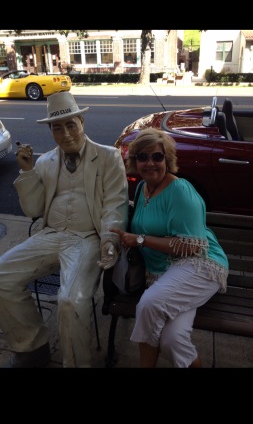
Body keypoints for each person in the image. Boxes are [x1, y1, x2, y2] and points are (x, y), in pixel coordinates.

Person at [0, 91, 129, 368]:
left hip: (86, 239)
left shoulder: (108, 157)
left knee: (71, 301)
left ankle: (77, 363)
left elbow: (115, 203)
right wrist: (27, 172)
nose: (66, 133)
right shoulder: (45, 161)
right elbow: (34, 210)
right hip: (51, 235)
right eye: (57, 127)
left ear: (82, 122)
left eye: (71, 124)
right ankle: (32, 346)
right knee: (1, 275)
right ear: (50, 130)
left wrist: (109, 237)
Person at [110, 128, 229, 368]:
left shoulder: (180, 190)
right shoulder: (143, 188)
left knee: (148, 304)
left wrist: (140, 240)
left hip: (200, 264)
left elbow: (191, 246)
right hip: (164, 272)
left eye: (157, 156)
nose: (150, 163)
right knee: (173, 339)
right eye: (142, 157)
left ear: (167, 159)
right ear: (134, 162)